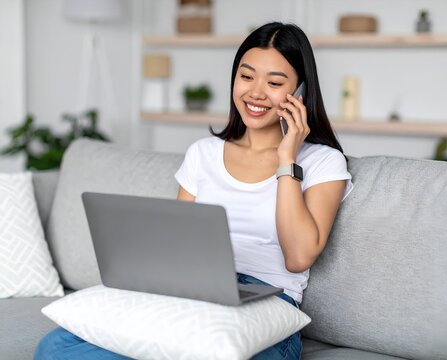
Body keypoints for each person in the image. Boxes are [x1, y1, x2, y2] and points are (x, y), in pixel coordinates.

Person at [34, 22, 353, 360]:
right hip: (196, 295)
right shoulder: (203, 153)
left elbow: (298, 257)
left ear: (300, 92)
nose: (256, 93)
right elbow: (178, 247)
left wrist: (288, 158)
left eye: (274, 83)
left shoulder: (322, 162)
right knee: (55, 347)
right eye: (246, 77)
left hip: (268, 310)